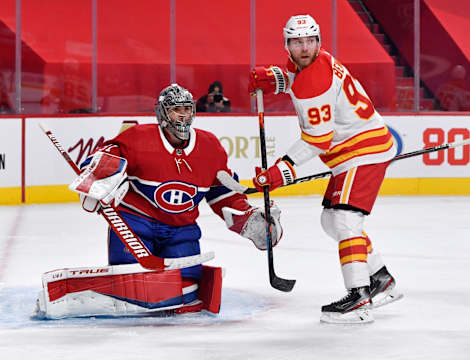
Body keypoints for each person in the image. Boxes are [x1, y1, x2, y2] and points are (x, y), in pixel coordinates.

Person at [33, 83, 282, 319]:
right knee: (135, 287)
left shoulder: (210, 147)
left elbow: (223, 195)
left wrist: (251, 221)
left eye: (187, 109)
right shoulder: (138, 138)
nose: (183, 116)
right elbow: (105, 156)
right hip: (135, 224)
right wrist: (96, 181)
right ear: (163, 114)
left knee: (186, 292)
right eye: (176, 110)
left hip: (181, 229)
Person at [248, 14, 402, 324]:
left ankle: (359, 297)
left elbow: (317, 141)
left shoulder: (314, 81)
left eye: (310, 41)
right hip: (352, 150)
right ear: (287, 45)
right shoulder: (312, 64)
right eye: (297, 42)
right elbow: (295, 77)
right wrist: (276, 79)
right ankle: (381, 280)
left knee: (345, 220)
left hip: (361, 151)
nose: (304, 48)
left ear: (319, 42)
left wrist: (281, 170)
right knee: (331, 220)